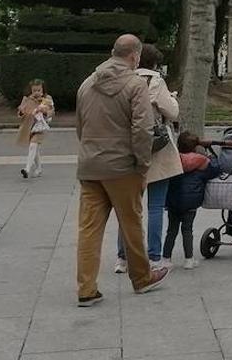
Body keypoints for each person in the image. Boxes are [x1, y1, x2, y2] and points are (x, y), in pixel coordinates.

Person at [75, 34, 169, 307]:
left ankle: (86, 289)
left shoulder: (87, 84)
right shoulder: (135, 84)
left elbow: (81, 127)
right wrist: (142, 163)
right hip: (123, 166)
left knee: (89, 229)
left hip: (91, 166)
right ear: (135, 56)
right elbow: (142, 129)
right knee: (131, 224)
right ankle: (142, 278)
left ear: (112, 52)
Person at [115, 45, 182, 273]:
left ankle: (122, 257)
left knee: (129, 207)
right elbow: (171, 112)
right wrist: (173, 99)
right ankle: (154, 256)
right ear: (154, 63)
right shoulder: (155, 81)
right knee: (156, 206)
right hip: (156, 148)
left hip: (129, 147)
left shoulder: (122, 80)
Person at [164, 131, 219, 270]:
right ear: (196, 146)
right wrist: (210, 154)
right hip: (191, 202)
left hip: (173, 200)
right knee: (187, 229)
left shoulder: (174, 160)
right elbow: (216, 170)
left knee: (171, 230)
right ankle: (189, 259)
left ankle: (166, 258)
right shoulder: (201, 162)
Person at [16, 79, 54, 179]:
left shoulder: (47, 99)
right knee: (35, 149)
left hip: (41, 127)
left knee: (33, 145)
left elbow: (51, 112)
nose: (36, 93)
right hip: (29, 127)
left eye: (38, 90)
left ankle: (27, 169)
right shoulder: (28, 99)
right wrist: (21, 111)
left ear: (43, 90)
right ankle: (39, 168)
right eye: (34, 90)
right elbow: (21, 113)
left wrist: (44, 111)